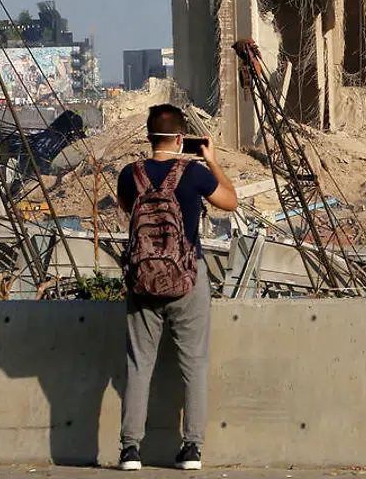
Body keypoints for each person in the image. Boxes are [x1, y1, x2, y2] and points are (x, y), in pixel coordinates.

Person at [116, 104, 238, 471]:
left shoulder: (129, 174)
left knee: (139, 364)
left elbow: (128, 209)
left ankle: (130, 450)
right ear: (181, 139)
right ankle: (192, 450)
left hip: (143, 281)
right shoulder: (194, 172)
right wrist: (212, 161)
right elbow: (230, 201)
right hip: (187, 277)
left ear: (149, 136)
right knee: (195, 363)